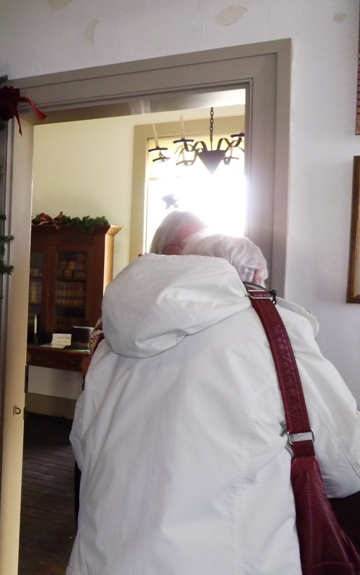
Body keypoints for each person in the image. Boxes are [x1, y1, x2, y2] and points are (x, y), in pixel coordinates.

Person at [68, 236, 360, 575]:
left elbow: (83, 446)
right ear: (254, 274)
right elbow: (347, 464)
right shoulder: (275, 331)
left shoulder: (116, 336)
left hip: (104, 556)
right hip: (224, 560)